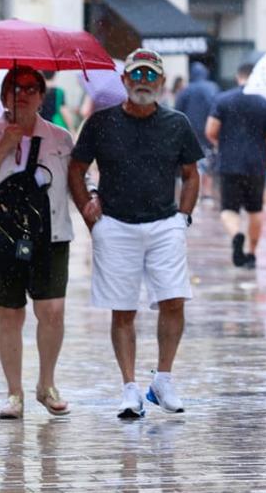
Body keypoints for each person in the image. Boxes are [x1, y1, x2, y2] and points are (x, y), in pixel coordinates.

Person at [68, 48, 204, 419]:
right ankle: (129, 388)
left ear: (161, 83)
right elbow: (76, 168)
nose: (144, 82)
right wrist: (89, 213)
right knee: (123, 308)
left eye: (151, 76)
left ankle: (163, 379)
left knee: (174, 299)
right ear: (125, 81)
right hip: (116, 224)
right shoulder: (100, 122)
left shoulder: (177, 123)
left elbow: (192, 174)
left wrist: (183, 218)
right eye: (137, 76)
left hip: (164, 224)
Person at [0, 66, 76, 419]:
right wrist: (4, 146)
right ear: (3, 96)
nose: (21, 94)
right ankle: (14, 393)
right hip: (0, 240)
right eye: (14, 88)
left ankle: (47, 384)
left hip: (50, 235)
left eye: (30, 88)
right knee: (9, 314)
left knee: (52, 311)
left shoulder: (60, 139)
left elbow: (75, 183)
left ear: (42, 96)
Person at [205, 62, 266, 270]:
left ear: (238, 76)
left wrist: (225, 144)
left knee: (229, 209)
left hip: (229, 163)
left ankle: (237, 234)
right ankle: (252, 253)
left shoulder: (223, 100)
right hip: (256, 165)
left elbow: (210, 131)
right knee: (255, 210)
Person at [175, 62, 220, 201]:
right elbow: (218, 109)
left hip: (190, 131)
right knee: (209, 160)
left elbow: (177, 111)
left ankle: (195, 190)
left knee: (193, 161)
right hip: (208, 130)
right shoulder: (213, 87)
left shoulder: (186, 90)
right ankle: (206, 192)